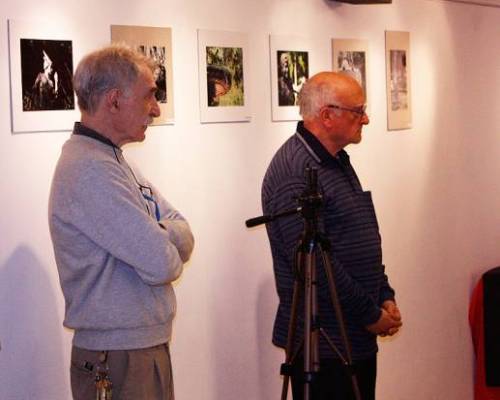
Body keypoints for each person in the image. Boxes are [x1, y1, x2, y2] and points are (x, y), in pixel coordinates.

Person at [48, 44, 194, 400]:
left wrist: (158, 234)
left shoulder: (112, 160)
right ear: (114, 101)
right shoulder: (90, 169)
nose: (156, 110)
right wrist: (160, 238)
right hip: (116, 359)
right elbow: (162, 263)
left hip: (133, 351)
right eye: (149, 97)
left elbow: (184, 232)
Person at [262, 71, 402, 400]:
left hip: (352, 336)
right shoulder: (295, 172)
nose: (365, 118)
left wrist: (385, 294)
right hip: (323, 344)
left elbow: (359, 236)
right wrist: (370, 315)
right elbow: (314, 266)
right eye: (358, 111)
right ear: (327, 115)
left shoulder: (334, 160)